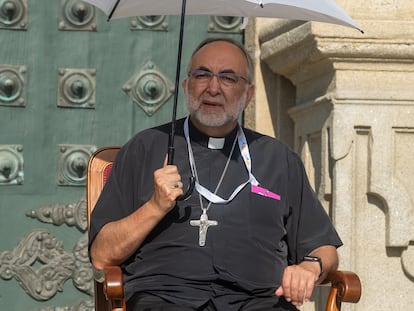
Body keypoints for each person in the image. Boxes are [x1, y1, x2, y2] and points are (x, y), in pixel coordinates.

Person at [89, 37, 342, 311]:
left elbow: (324, 249)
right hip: (167, 300)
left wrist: (310, 266)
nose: (212, 88)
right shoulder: (145, 148)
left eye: (228, 78)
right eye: (202, 75)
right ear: (186, 86)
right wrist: (155, 207)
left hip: (261, 302)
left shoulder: (278, 159)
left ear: (248, 94)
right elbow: (102, 256)